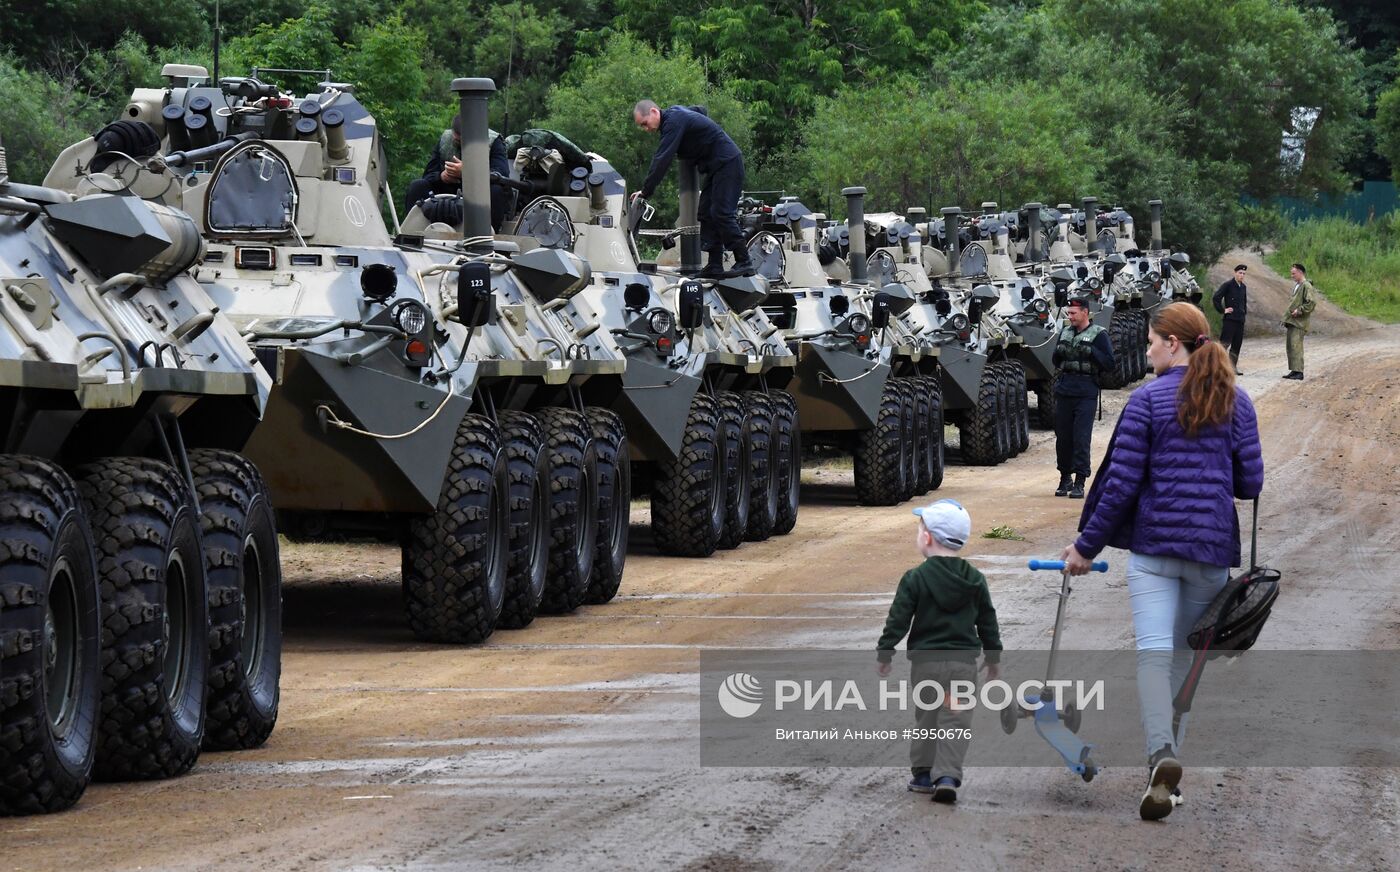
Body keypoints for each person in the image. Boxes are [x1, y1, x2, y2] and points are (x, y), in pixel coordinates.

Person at [1060, 302, 1264, 822]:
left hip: (1155, 551)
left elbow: (1122, 484)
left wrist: (1086, 547)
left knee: (1153, 656)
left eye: (1152, 340)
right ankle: (1167, 783)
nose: (1147, 349)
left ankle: (1160, 756)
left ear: (1173, 343)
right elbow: (1250, 483)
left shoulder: (1148, 400)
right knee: (1183, 662)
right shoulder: (1236, 402)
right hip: (1212, 552)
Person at [877, 499, 1002, 805]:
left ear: (928, 537)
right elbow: (987, 619)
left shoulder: (915, 578)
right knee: (955, 721)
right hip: (962, 666)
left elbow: (899, 619)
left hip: (926, 666)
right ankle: (946, 776)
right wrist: (994, 656)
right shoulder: (974, 579)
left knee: (927, 718)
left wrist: (885, 651)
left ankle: (922, 775)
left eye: (920, 528)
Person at [631, 99, 753, 278]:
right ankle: (714, 265)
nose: (646, 129)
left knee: (722, 213)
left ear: (654, 112)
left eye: (645, 123)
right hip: (717, 168)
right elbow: (700, 110)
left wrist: (646, 191)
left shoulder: (673, 122)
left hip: (728, 163)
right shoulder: (677, 114)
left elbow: (662, 159)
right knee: (705, 213)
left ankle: (744, 261)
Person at [1051, 296, 1115, 498]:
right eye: (1068, 313)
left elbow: (1110, 364)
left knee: (1080, 438)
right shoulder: (1065, 333)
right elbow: (1055, 360)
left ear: (1085, 313)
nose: (1069, 316)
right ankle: (1064, 477)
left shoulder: (1099, 335)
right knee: (1063, 438)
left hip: (1086, 390)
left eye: (1073, 313)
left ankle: (1080, 480)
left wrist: (1091, 352)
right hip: (1065, 388)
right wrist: (1061, 351)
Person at [403, 115, 511, 230]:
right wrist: (441, 176)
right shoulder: (445, 139)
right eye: (458, 139)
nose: (460, 142)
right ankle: (412, 232)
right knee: (418, 186)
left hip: (479, 195)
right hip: (447, 191)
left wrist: (469, 173)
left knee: (496, 191)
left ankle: (488, 234)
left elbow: (501, 175)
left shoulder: (494, 141)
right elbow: (428, 174)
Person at [1212, 264, 1249, 375]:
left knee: (1237, 344)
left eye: (1243, 274)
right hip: (1230, 320)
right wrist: (1223, 310)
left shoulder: (1243, 287)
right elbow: (1216, 298)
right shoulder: (1228, 285)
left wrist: (1244, 313)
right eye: (1240, 273)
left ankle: (1232, 367)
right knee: (1224, 343)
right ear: (1235, 273)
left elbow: (1244, 302)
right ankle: (1218, 367)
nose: (1241, 275)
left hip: (1240, 320)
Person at [1283, 262, 1317, 380]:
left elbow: (1311, 303)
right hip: (1293, 321)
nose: (1291, 275)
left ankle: (1299, 372)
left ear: (1300, 272)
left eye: (1293, 273)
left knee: (1296, 346)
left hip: (1299, 322)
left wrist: (1299, 311)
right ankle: (1294, 370)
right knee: (1291, 346)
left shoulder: (1306, 285)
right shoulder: (1298, 285)